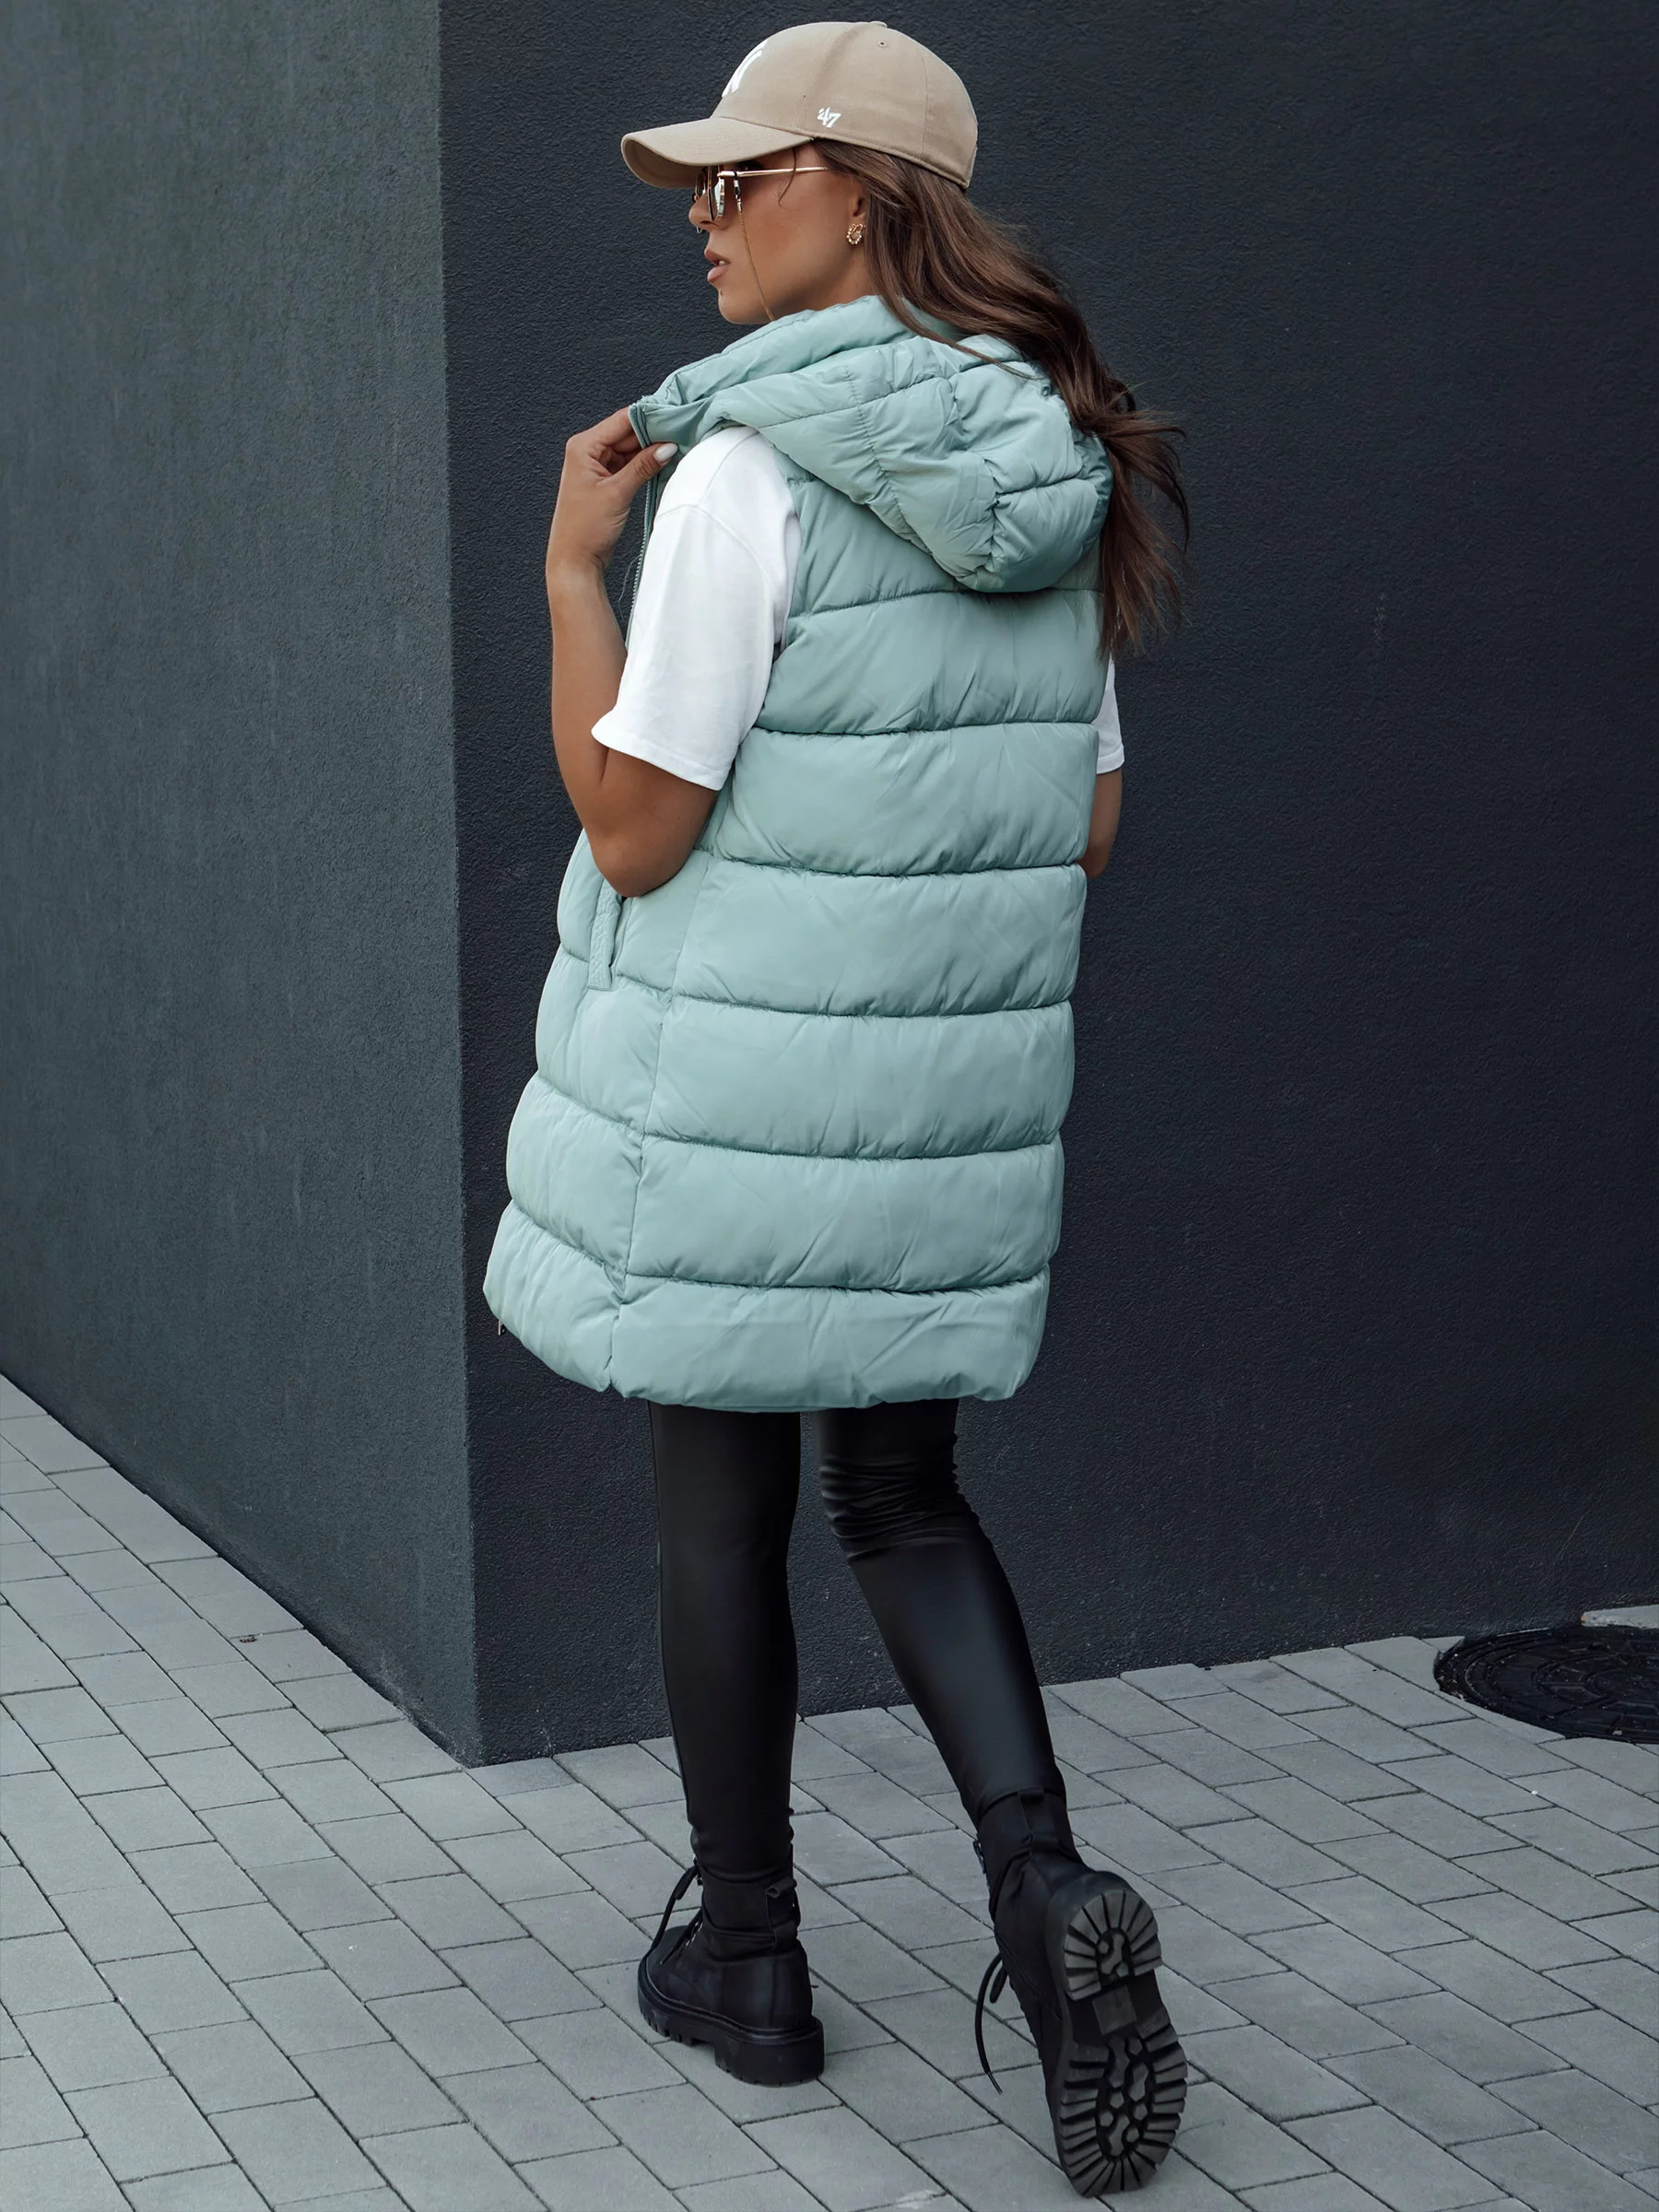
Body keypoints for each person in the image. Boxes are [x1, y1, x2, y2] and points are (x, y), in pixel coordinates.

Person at [483, 22, 1190, 2197]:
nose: (702, 219)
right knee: (906, 1500)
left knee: (722, 1512)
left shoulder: (746, 474)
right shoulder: (1055, 465)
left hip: (732, 1111)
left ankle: (754, 1963)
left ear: (865, 197)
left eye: (742, 178)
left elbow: (634, 829)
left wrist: (572, 578)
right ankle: (1045, 1889)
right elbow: (1082, 829)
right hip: (933, 1115)